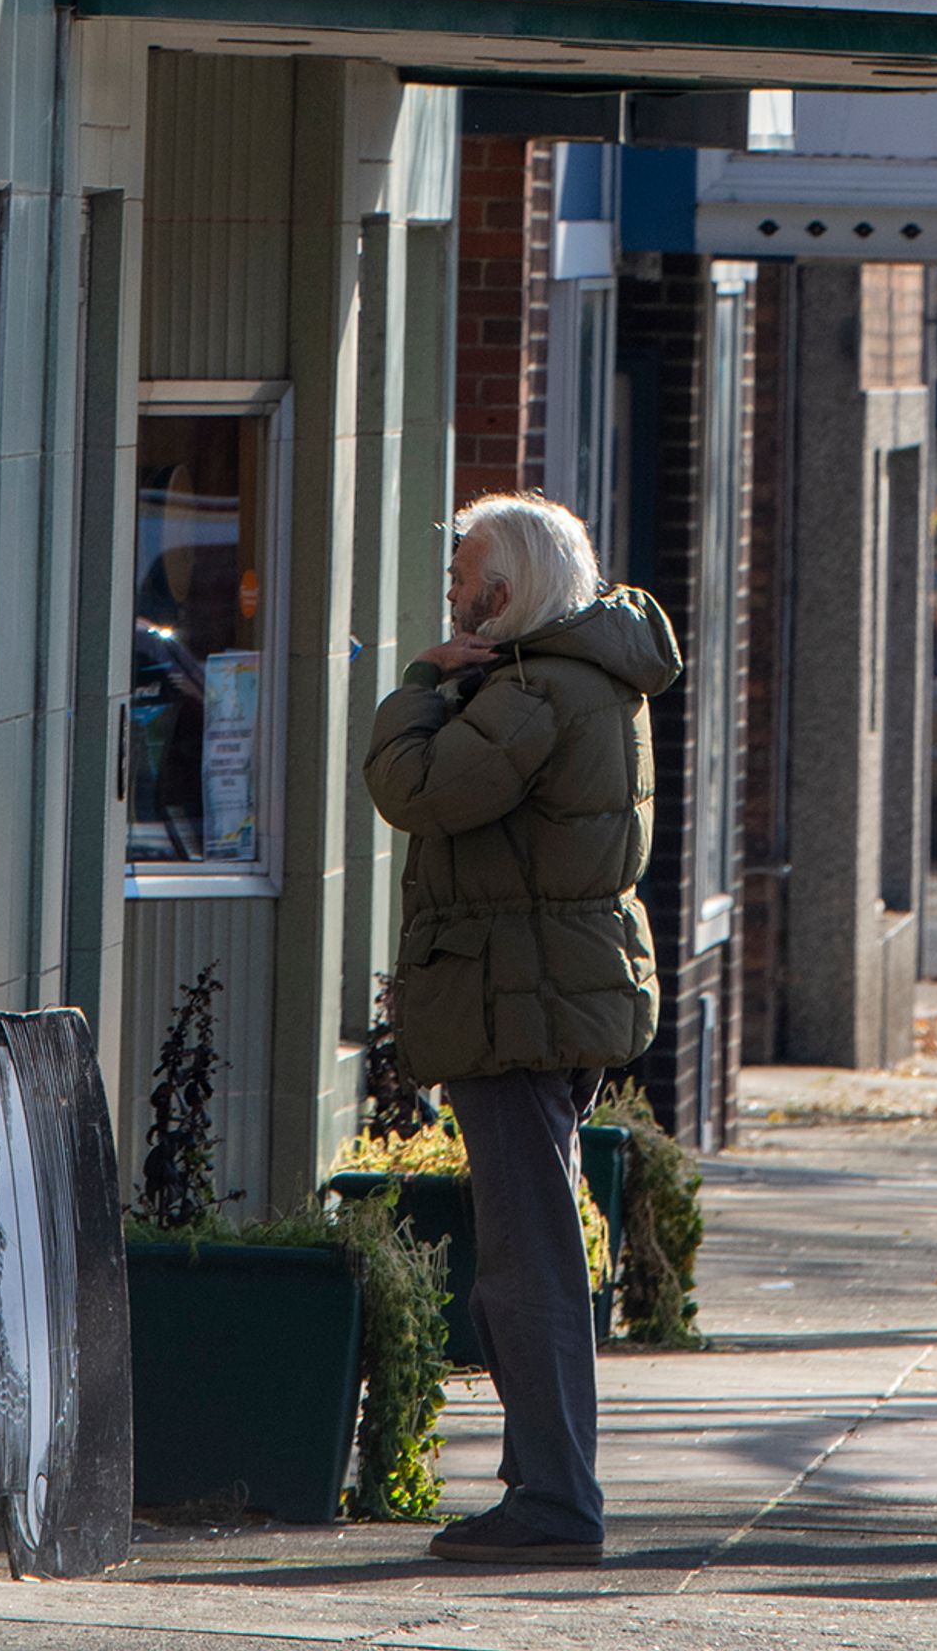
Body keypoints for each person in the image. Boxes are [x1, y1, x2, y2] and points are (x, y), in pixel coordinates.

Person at [364, 490, 682, 1567]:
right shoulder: (579, 674)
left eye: (461, 585)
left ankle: (553, 1500)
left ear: (504, 595)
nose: (451, 603)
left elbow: (411, 788)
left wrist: (420, 682)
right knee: (526, 1246)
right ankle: (543, 1485)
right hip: (547, 993)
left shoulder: (537, 691)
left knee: (525, 1258)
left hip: (521, 1002)